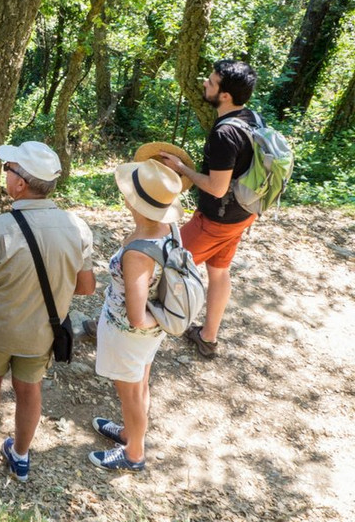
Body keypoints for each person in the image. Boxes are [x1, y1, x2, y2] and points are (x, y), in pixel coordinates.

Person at [0, 141, 94, 482]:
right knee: (29, 389)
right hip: (42, 332)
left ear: (20, 183)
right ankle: (19, 457)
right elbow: (86, 286)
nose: (5, 174)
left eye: (9, 168)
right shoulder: (77, 227)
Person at [159, 60, 259, 359]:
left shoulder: (225, 133)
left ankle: (118, 325)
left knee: (157, 263)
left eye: (212, 82)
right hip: (243, 214)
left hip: (216, 220)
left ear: (225, 95)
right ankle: (208, 336)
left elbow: (216, 187)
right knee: (219, 272)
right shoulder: (252, 118)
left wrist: (181, 169)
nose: (205, 82)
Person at [90, 158, 183, 472]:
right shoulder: (167, 229)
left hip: (129, 335)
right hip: (146, 337)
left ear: (135, 203)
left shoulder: (138, 254)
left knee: (130, 393)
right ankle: (131, 432)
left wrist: (159, 319)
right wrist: (162, 320)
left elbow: (135, 315)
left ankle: (134, 453)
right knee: (140, 384)